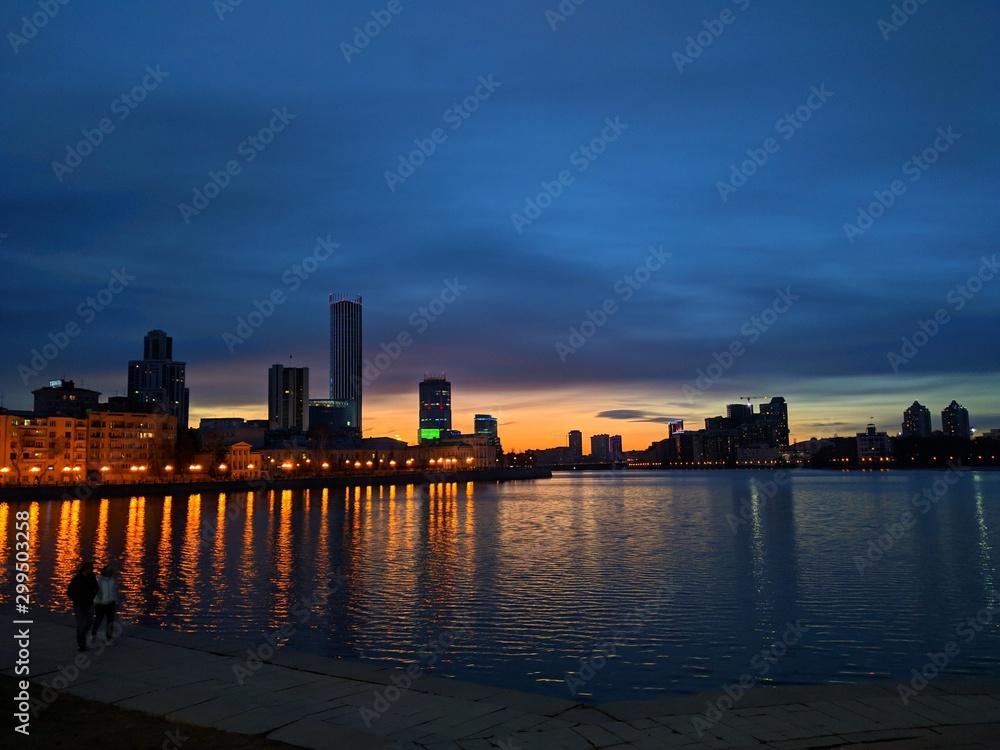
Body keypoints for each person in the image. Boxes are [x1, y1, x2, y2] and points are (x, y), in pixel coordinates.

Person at [66, 561, 98, 651]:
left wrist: (92, 595)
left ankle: (82, 636)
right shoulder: (77, 579)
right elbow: (69, 592)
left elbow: (96, 587)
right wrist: (77, 599)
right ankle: (81, 644)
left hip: (89, 603)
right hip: (79, 605)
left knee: (89, 622)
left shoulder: (91, 577)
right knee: (81, 624)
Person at [92, 565, 119, 645]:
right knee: (98, 620)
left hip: (110, 603)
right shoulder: (99, 581)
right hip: (101, 604)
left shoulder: (112, 581)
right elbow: (96, 592)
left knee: (110, 621)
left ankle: (109, 638)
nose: (111, 573)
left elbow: (113, 592)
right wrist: (96, 601)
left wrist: (116, 601)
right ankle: (93, 634)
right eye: (109, 571)